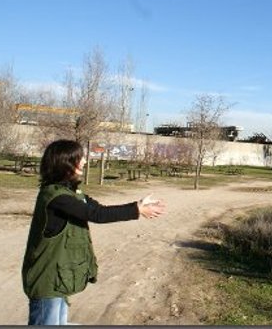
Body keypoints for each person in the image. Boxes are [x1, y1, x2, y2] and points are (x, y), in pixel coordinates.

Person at [21, 139, 166, 325]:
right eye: (79, 158)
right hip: (46, 281)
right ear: (64, 162)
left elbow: (99, 209)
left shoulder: (72, 193)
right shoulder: (56, 197)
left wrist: (137, 205)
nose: (84, 162)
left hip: (57, 280)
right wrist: (137, 210)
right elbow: (96, 215)